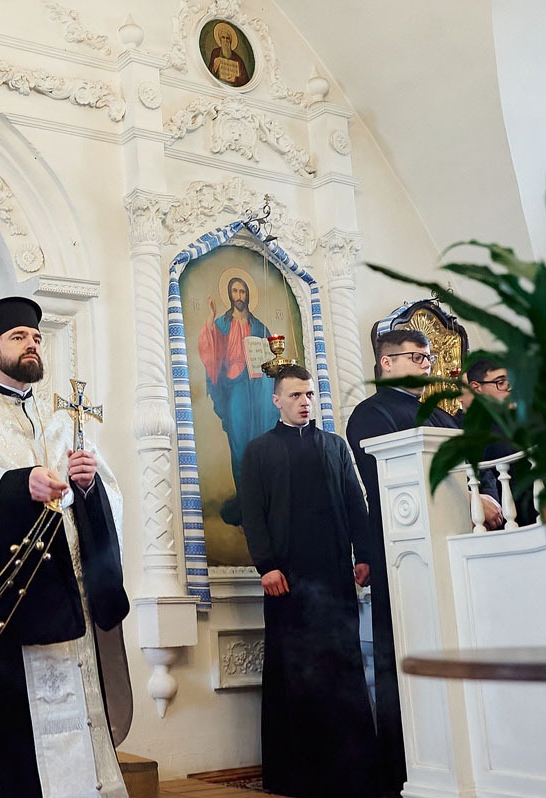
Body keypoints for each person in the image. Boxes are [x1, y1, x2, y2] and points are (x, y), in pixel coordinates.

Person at [0, 296, 131, 798]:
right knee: (18, 742)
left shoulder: (62, 417)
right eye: (18, 337)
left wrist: (88, 485)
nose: (31, 345)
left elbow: (104, 495)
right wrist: (19, 485)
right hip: (15, 610)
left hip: (71, 601)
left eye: (37, 338)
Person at [240, 364, 378, 798]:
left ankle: (351, 772)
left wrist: (364, 555)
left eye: (310, 395)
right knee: (294, 671)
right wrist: (266, 566)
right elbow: (252, 514)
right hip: (287, 580)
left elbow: (356, 504)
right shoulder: (258, 451)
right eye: (296, 395)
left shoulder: (335, 446)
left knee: (342, 666)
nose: (305, 402)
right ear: (277, 400)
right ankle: (295, 776)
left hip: (334, 576)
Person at [345, 328, 458, 797]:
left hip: (452, 545)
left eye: (428, 357)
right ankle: (405, 767)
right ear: (386, 363)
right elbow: (395, 481)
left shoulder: (442, 415)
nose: (426, 364)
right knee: (408, 657)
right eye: (416, 356)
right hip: (404, 551)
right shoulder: (372, 414)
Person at [198, 276, 278, 519]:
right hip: (234, 386)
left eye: (242, 291)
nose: (239, 296)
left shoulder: (260, 327)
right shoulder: (222, 324)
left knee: (261, 441)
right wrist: (211, 318)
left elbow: (271, 361)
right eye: (235, 291)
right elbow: (209, 347)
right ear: (230, 294)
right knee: (239, 443)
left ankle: (265, 499)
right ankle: (245, 501)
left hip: (258, 389)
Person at [466, 358, 537, 526]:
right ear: (477, 388)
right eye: (500, 382)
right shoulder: (472, 429)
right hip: (508, 518)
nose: (509, 388)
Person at [207, 21, 250, 86]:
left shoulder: (238, 59)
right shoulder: (215, 52)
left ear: (230, 41)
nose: (225, 40)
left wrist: (235, 79)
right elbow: (208, 74)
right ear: (220, 39)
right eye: (223, 37)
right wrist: (214, 67)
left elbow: (245, 79)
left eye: (227, 38)